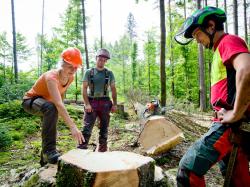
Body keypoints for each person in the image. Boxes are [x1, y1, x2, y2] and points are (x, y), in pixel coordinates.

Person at [174, 6, 250, 186]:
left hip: (231, 125)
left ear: (210, 26)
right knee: (238, 181)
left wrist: (236, 113)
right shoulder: (219, 50)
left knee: (188, 170)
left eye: (197, 35)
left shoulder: (228, 42)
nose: (197, 41)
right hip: (231, 125)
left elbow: (246, 70)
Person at [22, 47, 85, 165]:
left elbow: (61, 97)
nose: (73, 69)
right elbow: (58, 104)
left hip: (45, 104)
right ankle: (49, 151)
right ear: (63, 63)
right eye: (70, 65)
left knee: (50, 124)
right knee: (51, 108)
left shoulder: (70, 78)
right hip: (30, 101)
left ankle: (44, 161)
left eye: (76, 67)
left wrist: (60, 113)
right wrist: (72, 127)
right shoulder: (51, 77)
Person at [78, 48, 117, 152]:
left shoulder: (109, 73)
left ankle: (102, 150)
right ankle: (81, 149)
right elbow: (84, 89)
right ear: (96, 58)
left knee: (104, 128)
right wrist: (87, 104)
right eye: (100, 59)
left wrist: (115, 104)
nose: (102, 61)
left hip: (105, 103)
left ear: (106, 61)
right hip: (92, 102)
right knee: (87, 127)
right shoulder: (89, 72)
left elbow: (113, 89)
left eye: (104, 60)